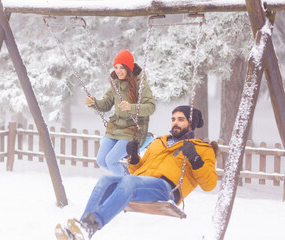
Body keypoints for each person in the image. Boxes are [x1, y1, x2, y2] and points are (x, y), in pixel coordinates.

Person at [55, 105, 218, 240]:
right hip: (142, 183)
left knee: (129, 181)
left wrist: (195, 158)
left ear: (191, 123)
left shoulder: (203, 149)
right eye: (173, 119)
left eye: (180, 119)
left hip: (167, 189)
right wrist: (133, 158)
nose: (175, 123)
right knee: (105, 180)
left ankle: (89, 227)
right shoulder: (159, 142)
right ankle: (82, 227)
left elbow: (209, 184)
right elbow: (139, 170)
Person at [85, 49, 156, 176]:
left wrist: (131, 107)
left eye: (122, 67)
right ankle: (128, 178)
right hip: (116, 128)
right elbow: (106, 104)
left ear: (129, 68)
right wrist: (93, 103)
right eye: (116, 67)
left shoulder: (141, 84)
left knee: (111, 161)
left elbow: (151, 107)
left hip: (133, 129)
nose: (118, 71)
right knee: (101, 161)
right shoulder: (115, 84)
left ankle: (128, 185)